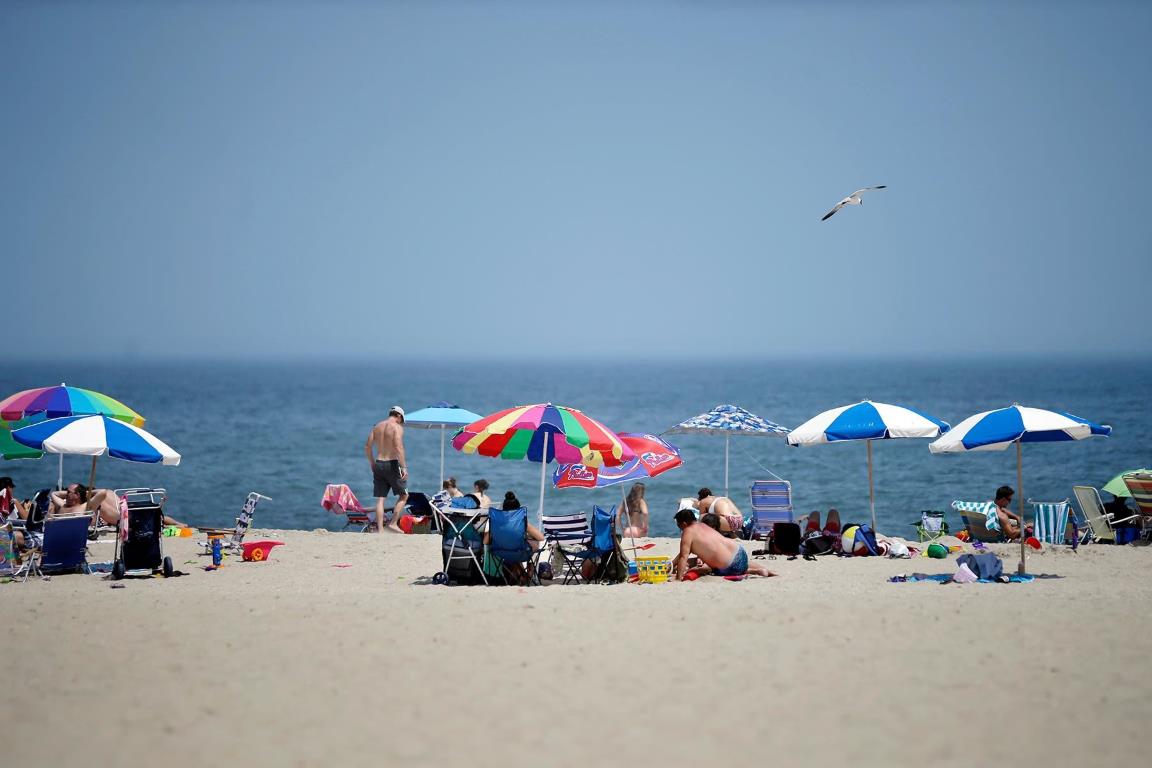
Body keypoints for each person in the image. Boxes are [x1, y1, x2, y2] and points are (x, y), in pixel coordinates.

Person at [672, 509, 776, 579]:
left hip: (731, 567)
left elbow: (683, 557)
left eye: (678, 525)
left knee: (714, 570)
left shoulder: (688, 532)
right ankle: (766, 570)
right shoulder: (703, 526)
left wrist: (678, 578)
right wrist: (672, 564)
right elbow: (682, 553)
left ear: (684, 524)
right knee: (739, 562)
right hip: (741, 553)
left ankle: (754, 571)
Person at [365, 406, 408, 533]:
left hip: (378, 463)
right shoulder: (396, 427)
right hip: (392, 464)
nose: (401, 422)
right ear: (398, 416)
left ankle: (380, 530)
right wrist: (404, 467)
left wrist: (372, 463)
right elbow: (398, 447)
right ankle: (393, 523)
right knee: (404, 495)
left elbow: (368, 446)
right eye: (402, 419)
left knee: (381, 498)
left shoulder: (377, 426)